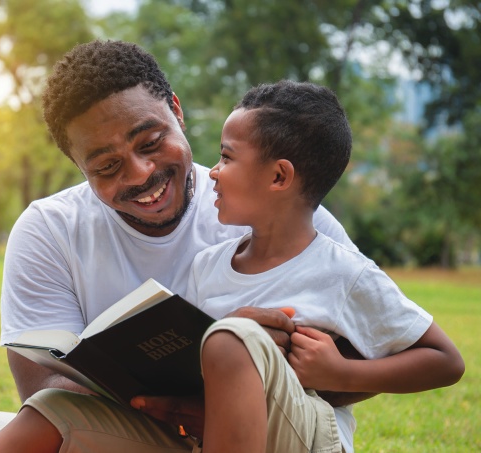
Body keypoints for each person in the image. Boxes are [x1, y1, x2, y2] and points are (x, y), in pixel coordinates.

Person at [0, 41, 365, 453]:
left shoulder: (283, 210)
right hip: (144, 435)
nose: (141, 174)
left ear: (176, 111)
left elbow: (372, 358)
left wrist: (243, 376)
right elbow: (44, 389)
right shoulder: (48, 230)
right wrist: (181, 403)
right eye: (107, 166)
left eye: (150, 142)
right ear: (79, 166)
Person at [185, 80, 464, 452]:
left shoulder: (341, 272)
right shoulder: (206, 266)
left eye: (227, 157)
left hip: (308, 434)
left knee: (232, 341)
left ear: (278, 176)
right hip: (211, 432)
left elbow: (446, 360)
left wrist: (341, 373)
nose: (214, 172)